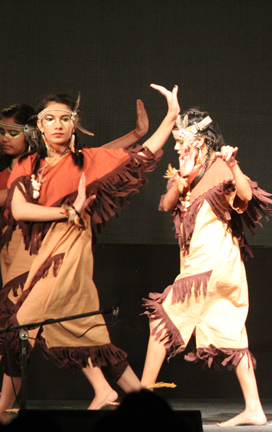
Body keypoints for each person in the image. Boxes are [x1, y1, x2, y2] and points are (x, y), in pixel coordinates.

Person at [0, 84, 179, 420]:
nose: (57, 124)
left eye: (64, 118)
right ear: (39, 125)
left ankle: (0, 410)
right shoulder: (27, 164)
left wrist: (170, 117)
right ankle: (143, 405)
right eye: (50, 118)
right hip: (44, 252)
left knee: (20, 327)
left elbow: (142, 154)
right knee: (86, 332)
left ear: (74, 123)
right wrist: (68, 210)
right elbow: (20, 209)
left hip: (68, 255)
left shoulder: (88, 162)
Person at [142, 109, 272, 426]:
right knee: (230, 332)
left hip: (210, 265)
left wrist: (234, 165)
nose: (176, 147)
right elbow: (167, 204)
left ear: (201, 141)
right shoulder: (187, 172)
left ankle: (140, 400)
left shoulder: (220, 168)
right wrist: (182, 178)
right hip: (217, 267)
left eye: (182, 141)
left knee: (161, 321)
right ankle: (254, 408)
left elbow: (244, 194)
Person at [0, 101, 149, 351]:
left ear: (30, 132)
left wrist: (136, 135)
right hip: (13, 239)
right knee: (31, 320)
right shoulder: (20, 168)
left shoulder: (44, 164)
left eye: (13, 132)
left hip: (42, 242)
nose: (5, 138)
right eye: (2, 132)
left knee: (25, 318)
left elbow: (96, 158)